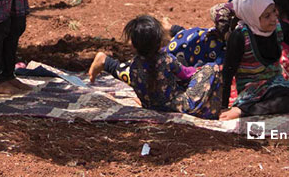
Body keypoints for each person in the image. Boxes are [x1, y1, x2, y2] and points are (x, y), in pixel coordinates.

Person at [88, 15, 224, 119]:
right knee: (211, 68)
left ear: (134, 46)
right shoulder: (167, 59)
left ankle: (106, 62)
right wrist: (199, 70)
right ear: (160, 42)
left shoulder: (135, 64)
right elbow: (186, 74)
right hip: (175, 106)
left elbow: (127, 74)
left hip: (149, 104)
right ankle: (215, 110)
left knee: (125, 72)